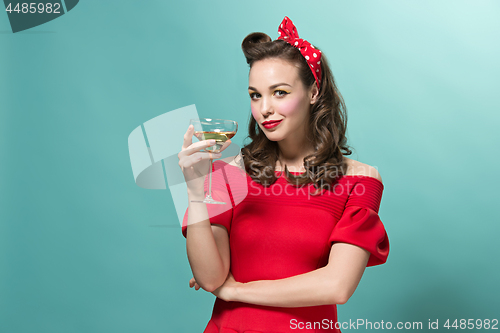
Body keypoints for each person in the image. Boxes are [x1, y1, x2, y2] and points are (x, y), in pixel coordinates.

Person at [177, 16, 389, 333]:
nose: (264, 109)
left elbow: (337, 286)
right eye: (255, 95)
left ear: (314, 92)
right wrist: (196, 192)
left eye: (279, 92)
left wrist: (236, 291)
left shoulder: (359, 181)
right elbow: (210, 277)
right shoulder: (229, 173)